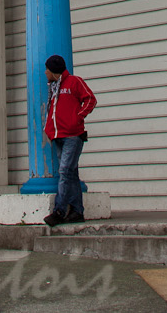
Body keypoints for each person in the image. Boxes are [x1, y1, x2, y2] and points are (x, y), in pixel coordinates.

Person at [42, 54, 97, 226]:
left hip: (73, 135)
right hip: (58, 135)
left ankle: (59, 210)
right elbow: (53, 109)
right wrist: (49, 130)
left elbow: (90, 99)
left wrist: (78, 117)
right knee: (71, 173)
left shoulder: (74, 82)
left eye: (47, 69)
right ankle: (77, 211)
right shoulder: (53, 86)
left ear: (54, 70)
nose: (45, 73)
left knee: (65, 171)